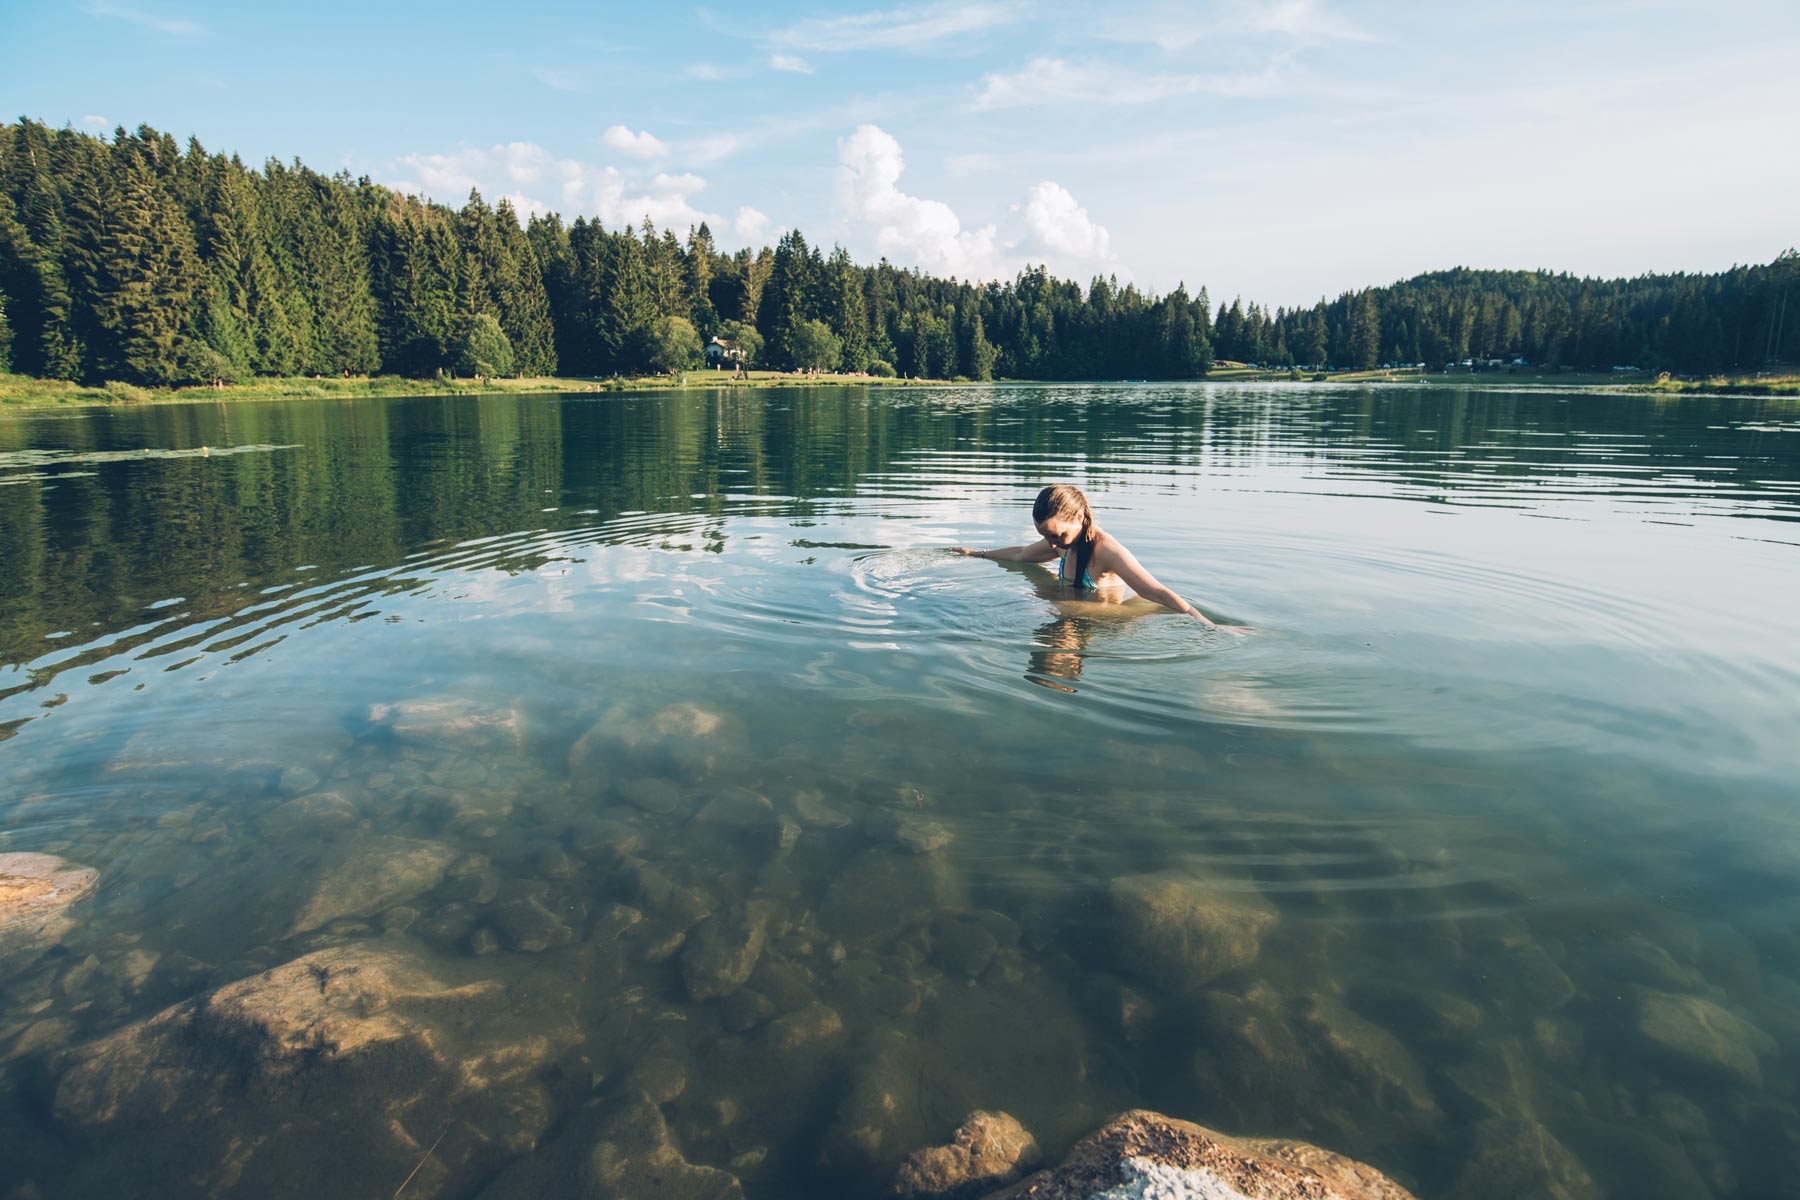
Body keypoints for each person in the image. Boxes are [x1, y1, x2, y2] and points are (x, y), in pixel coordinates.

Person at [952, 484, 1248, 630]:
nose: (1051, 542)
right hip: (1070, 612)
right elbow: (1020, 554)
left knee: (1049, 605)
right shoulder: (1060, 543)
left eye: (1057, 535)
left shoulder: (1107, 550)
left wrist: (1208, 625)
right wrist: (977, 553)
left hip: (1105, 619)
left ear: (1079, 518)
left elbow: (1155, 591)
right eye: (1046, 536)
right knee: (1030, 597)